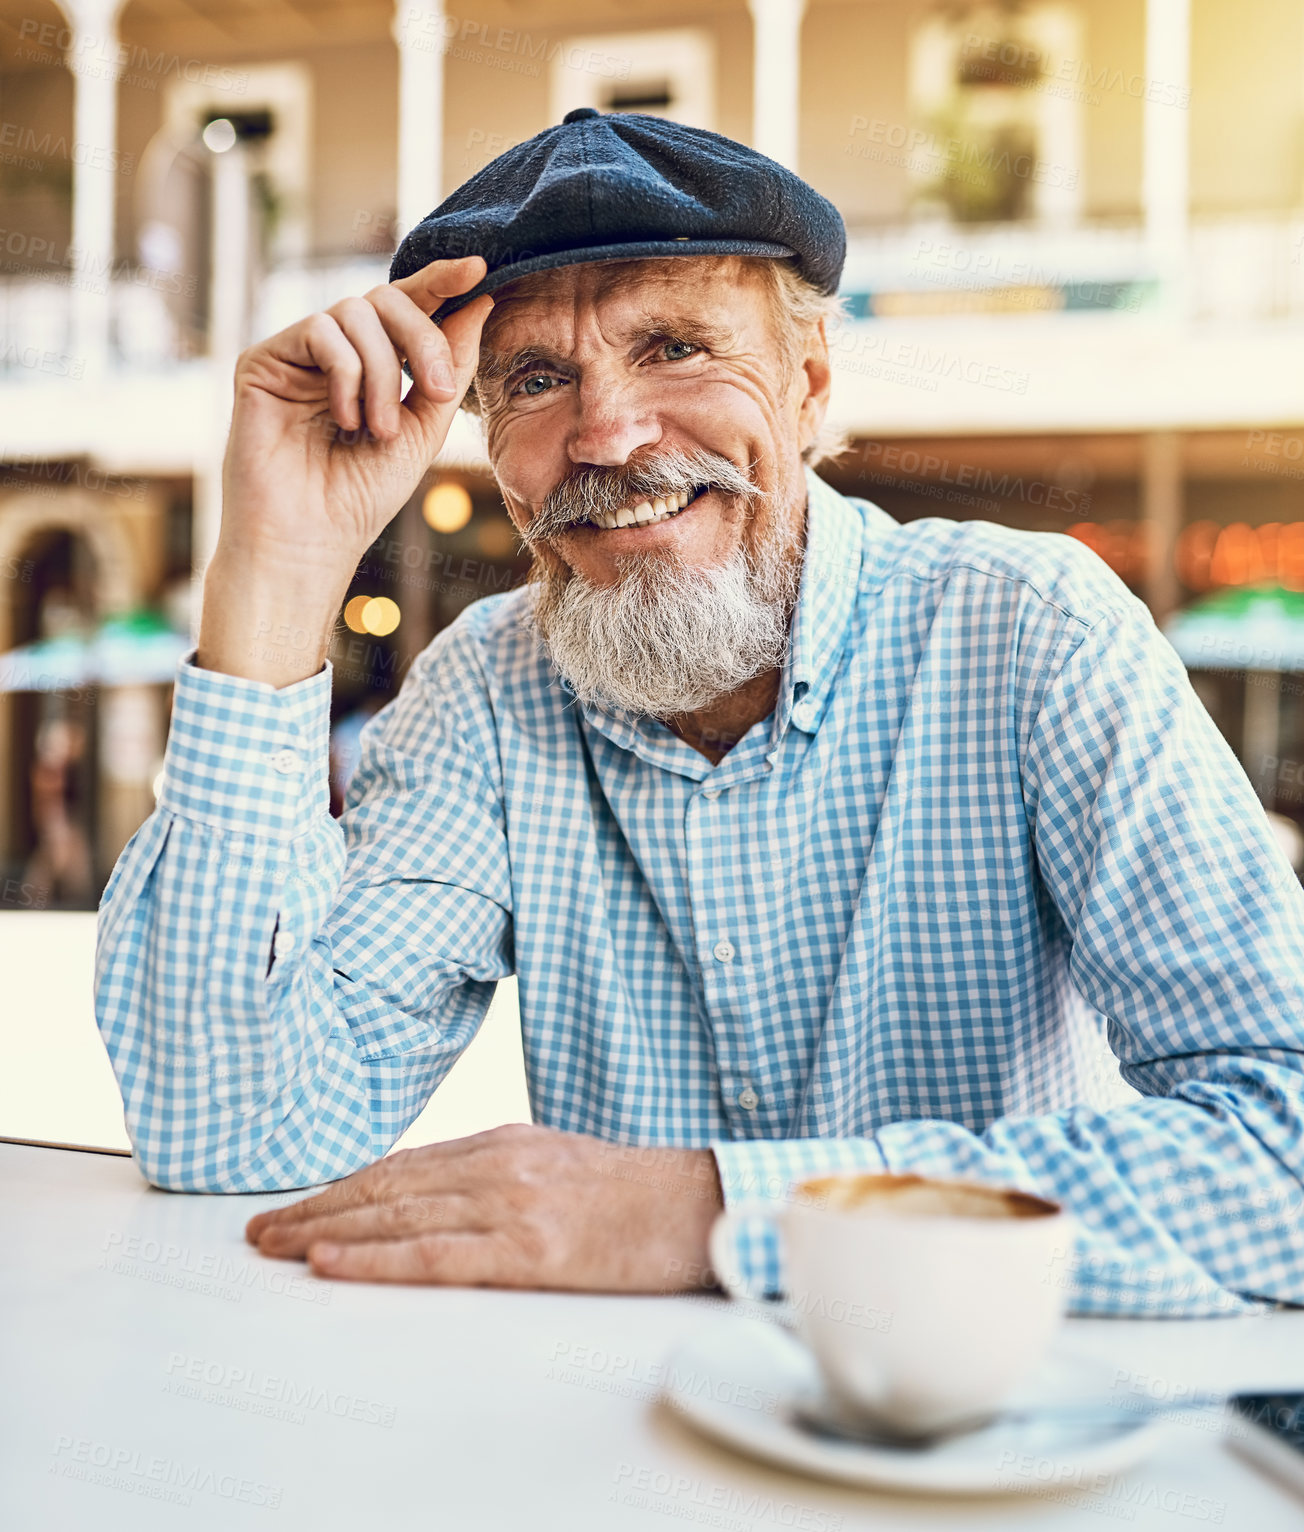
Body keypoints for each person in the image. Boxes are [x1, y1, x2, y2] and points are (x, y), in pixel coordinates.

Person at [96, 111, 1304, 1312]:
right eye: (533, 378)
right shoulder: (486, 688)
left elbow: (1281, 1150)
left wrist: (705, 1208)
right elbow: (229, 1130)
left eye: (673, 347)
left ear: (809, 388)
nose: (606, 433)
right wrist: (278, 570)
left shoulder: (1030, 633)